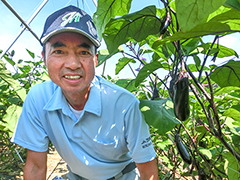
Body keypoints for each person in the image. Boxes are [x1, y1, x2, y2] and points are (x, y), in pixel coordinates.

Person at [11, 5, 159, 180]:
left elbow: (148, 172)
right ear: (44, 58)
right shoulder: (38, 99)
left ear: (95, 59)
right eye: (59, 51)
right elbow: (35, 167)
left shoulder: (124, 104)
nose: (73, 64)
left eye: (83, 52)